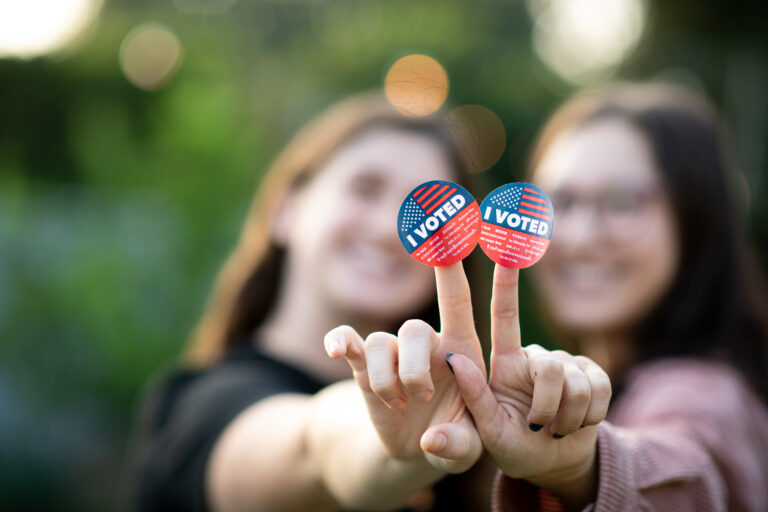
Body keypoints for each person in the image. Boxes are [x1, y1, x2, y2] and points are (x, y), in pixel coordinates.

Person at [335, 82, 768, 511]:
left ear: (696, 222)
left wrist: (586, 469)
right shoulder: (615, 383)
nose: (579, 237)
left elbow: (692, 469)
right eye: (558, 202)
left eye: (621, 202)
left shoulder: (707, 395)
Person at [125, 92, 498, 512]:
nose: (387, 227)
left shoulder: (461, 434)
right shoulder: (201, 408)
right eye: (364, 189)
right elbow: (315, 447)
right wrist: (391, 452)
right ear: (286, 208)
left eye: (428, 208)